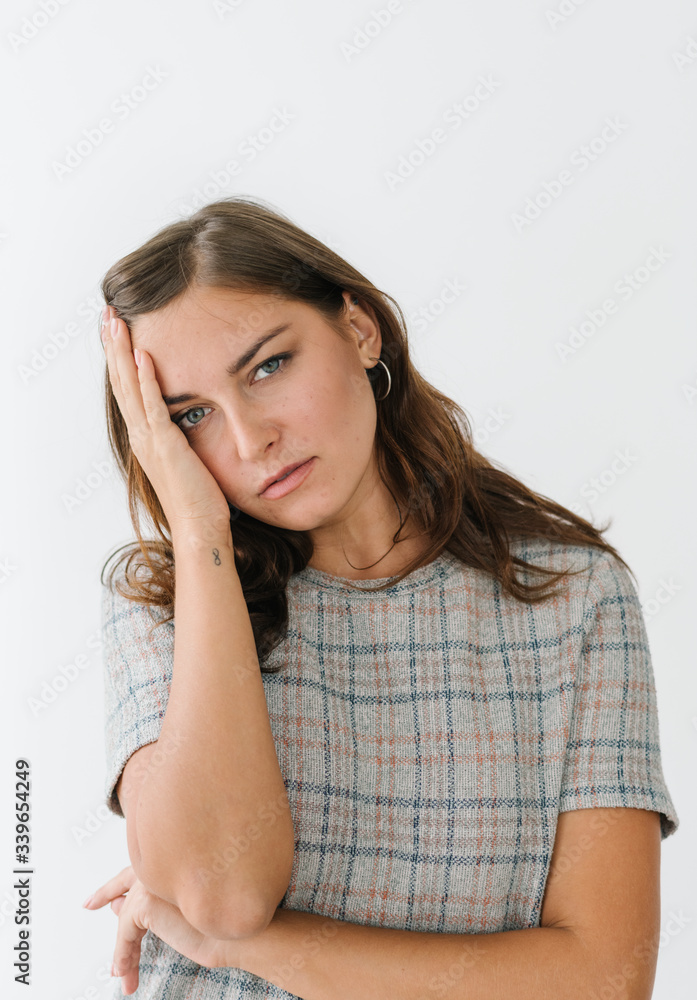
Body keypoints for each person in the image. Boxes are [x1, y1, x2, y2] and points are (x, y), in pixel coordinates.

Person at [84, 195, 679, 999]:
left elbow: (602, 981)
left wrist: (251, 949)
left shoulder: (574, 599)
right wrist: (198, 532)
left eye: (267, 366)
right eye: (191, 417)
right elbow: (223, 893)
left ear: (359, 329)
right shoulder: (165, 598)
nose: (249, 438)